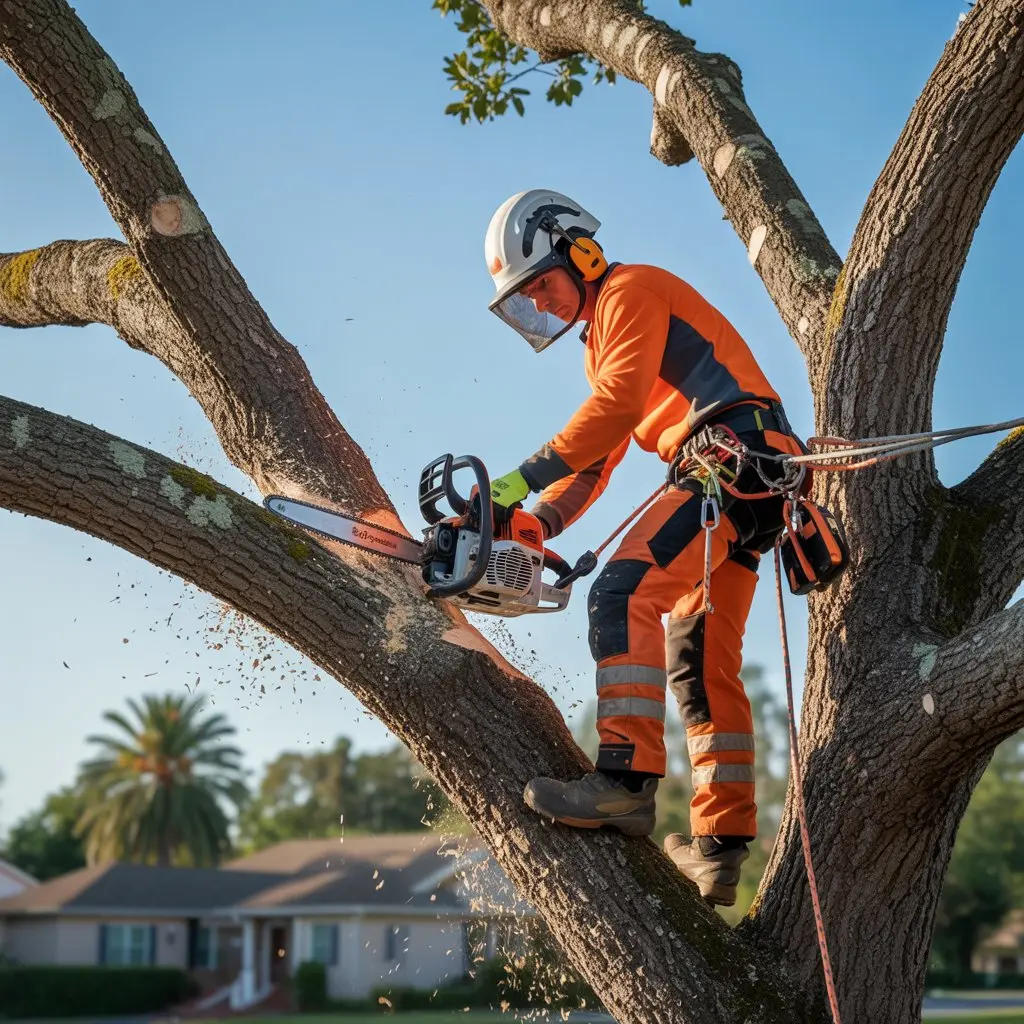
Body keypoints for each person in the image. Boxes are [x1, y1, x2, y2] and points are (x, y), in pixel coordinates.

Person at [482, 189, 807, 907]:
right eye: (526, 296)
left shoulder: (630, 290)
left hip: (730, 459)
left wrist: (512, 482)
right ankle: (720, 849)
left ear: (580, 253)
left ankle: (624, 783)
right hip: (748, 483)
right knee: (698, 659)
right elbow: (597, 460)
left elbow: (620, 406)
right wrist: (539, 521)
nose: (541, 301)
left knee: (623, 592)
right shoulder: (601, 340)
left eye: (542, 282)